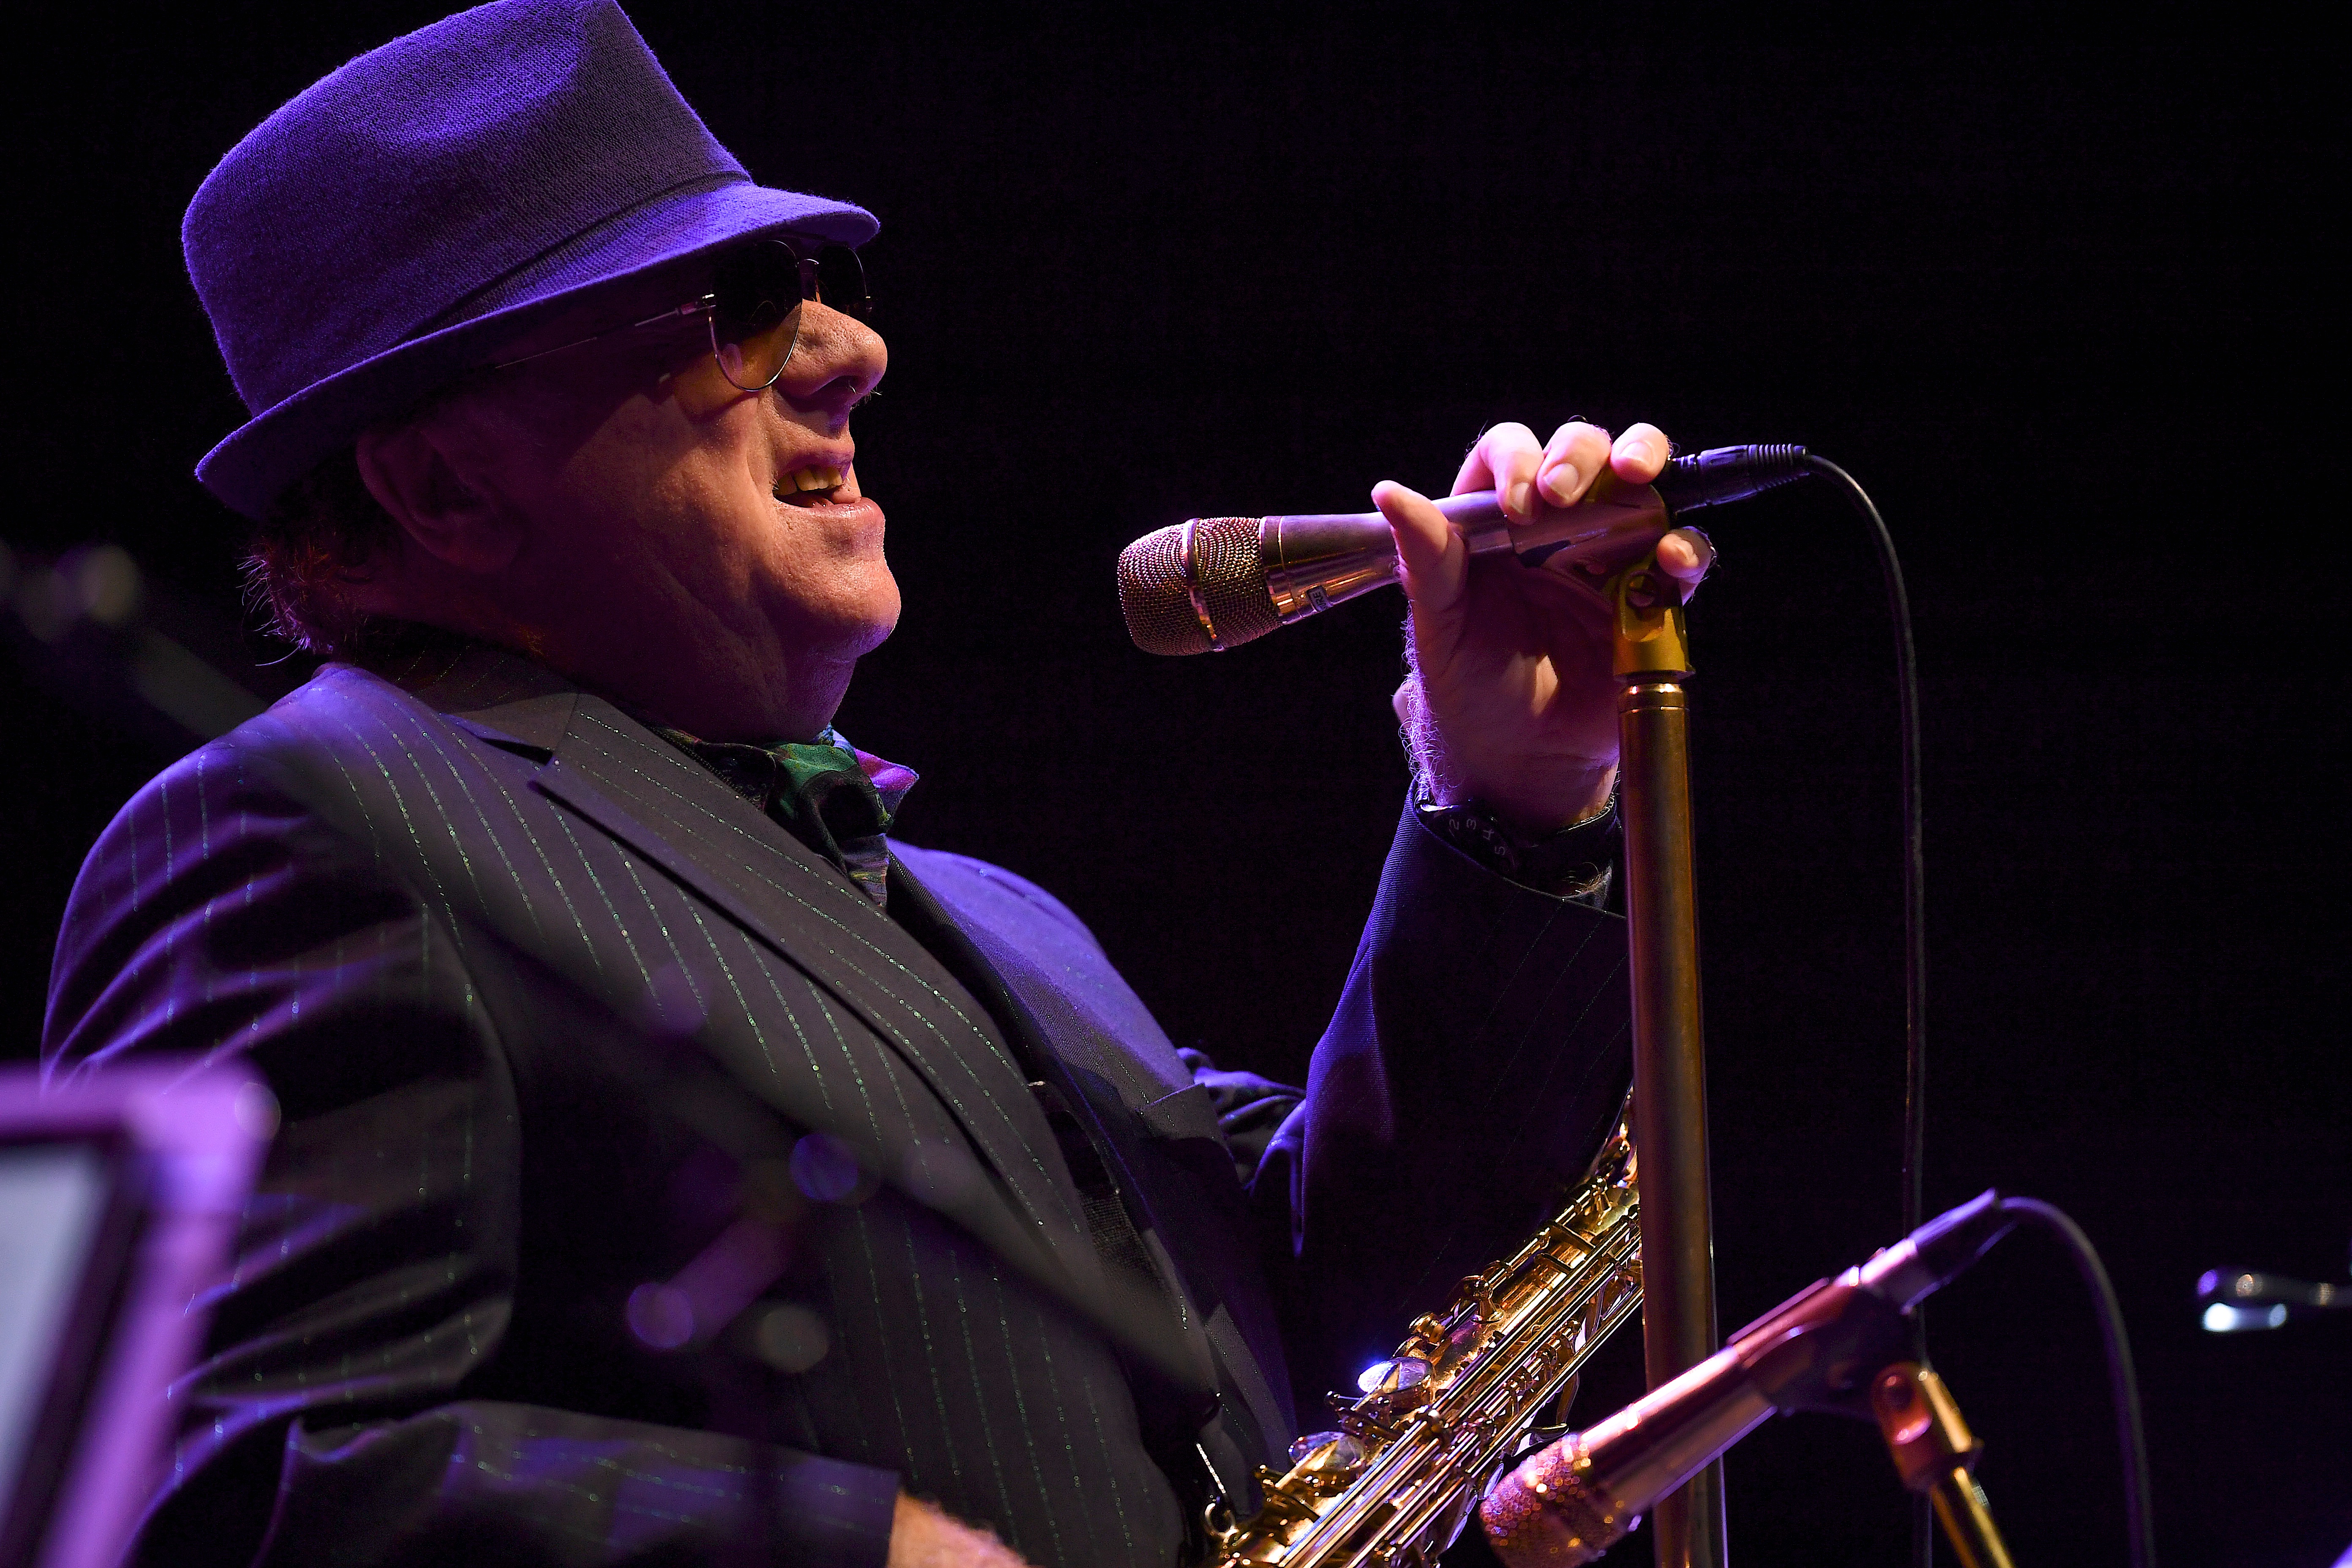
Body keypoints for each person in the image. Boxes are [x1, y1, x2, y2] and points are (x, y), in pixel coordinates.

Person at [40, 4, 1710, 1565]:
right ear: (444, 485)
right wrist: (833, 1547)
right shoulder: (316, 824)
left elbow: (1369, 1315)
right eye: (737, 313)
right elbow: (222, 1464)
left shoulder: (1000, 918)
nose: (853, 346)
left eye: (814, 281)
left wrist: (1502, 795)